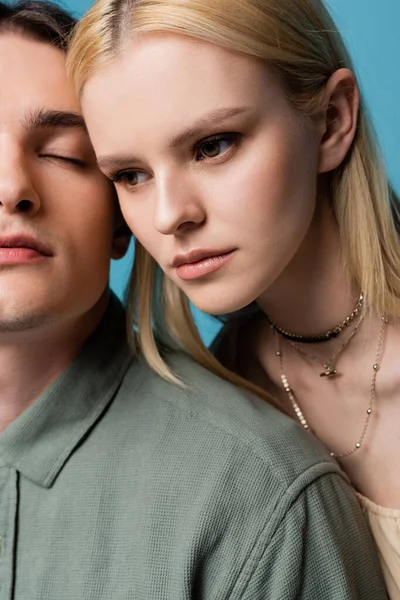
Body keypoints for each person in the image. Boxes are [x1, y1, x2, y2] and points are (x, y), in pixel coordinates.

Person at [68, 0, 400, 596]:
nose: (170, 216)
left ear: (331, 120)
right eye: (130, 175)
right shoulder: (222, 409)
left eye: (213, 145)